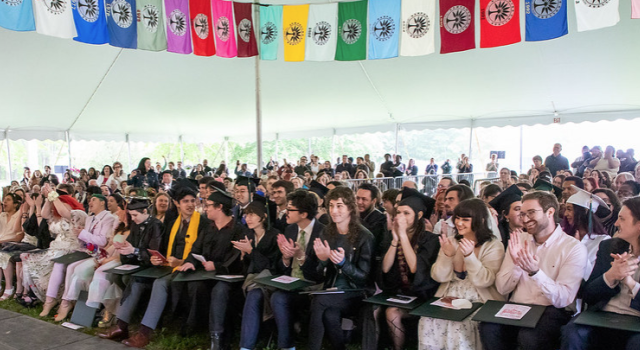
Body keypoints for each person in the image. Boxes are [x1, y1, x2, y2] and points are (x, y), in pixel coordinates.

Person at [99, 183, 211, 348]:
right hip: (168, 265)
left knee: (159, 283)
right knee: (138, 280)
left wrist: (183, 262)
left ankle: (145, 332)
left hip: (191, 268)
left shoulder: (202, 223)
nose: (190, 204)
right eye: (185, 201)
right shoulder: (173, 223)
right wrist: (155, 259)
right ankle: (122, 327)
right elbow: (163, 249)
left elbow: (202, 251)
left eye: (193, 200)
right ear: (178, 204)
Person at [479, 191, 587, 350]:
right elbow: (502, 288)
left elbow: (564, 299)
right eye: (522, 214)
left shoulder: (572, 247)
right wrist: (517, 264)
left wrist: (536, 273)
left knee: (528, 336)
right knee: (488, 328)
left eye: (531, 213)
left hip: (551, 310)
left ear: (550, 212)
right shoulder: (518, 240)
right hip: (518, 307)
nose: (525, 219)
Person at [420, 198, 505, 350]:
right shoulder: (451, 241)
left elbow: (485, 281)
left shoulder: (493, 245)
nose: (459, 223)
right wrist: (447, 256)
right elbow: (438, 277)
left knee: (461, 324)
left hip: (480, 297)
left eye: (465, 219)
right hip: (450, 294)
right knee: (427, 319)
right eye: (457, 218)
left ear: (480, 220)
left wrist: (470, 256)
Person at [560, 197, 640, 350]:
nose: (616, 224)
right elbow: (588, 294)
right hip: (602, 315)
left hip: (636, 320)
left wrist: (630, 283)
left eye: (622, 219)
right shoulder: (609, 247)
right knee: (573, 332)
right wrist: (611, 276)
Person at [176, 190, 244, 350]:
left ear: (220, 207)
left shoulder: (239, 229)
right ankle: (193, 325)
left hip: (228, 277)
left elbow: (237, 258)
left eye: (208, 206)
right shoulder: (208, 228)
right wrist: (191, 262)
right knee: (192, 285)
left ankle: (218, 339)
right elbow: (196, 249)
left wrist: (218, 266)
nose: (205, 209)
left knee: (219, 291)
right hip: (206, 274)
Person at [308, 186, 374, 350]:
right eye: (331, 206)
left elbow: (364, 277)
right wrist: (323, 261)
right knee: (330, 314)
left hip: (355, 291)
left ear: (350, 208)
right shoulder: (326, 232)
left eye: (339, 206)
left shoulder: (364, 236)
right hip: (331, 289)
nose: (334, 211)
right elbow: (317, 275)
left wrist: (344, 264)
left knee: (319, 301)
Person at [41, 193, 115, 321]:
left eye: (94, 200)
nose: (90, 203)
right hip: (86, 251)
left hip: (99, 253)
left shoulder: (108, 218)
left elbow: (102, 241)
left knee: (71, 268)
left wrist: (83, 233)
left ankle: (66, 302)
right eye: (89, 200)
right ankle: (52, 300)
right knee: (62, 264)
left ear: (103, 202)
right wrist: (82, 232)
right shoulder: (90, 218)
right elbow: (87, 239)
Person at [382, 188, 440, 350]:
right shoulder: (392, 236)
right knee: (389, 312)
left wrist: (402, 236)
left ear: (419, 215)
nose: (400, 217)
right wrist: (395, 240)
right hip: (402, 294)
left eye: (406, 213)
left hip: (424, 295)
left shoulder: (430, 239)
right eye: (398, 212)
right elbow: (385, 269)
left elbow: (416, 268)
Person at [270, 190, 325, 350]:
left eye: (290, 210)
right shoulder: (290, 230)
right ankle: (287, 345)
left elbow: (319, 274)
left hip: (312, 286)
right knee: (276, 296)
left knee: (281, 298)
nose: (285, 213)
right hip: (290, 282)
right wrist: (286, 259)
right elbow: (282, 268)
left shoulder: (323, 233)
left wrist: (301, 256)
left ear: (303, 213)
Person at [20, 184, 86, 302]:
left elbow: (63, 211)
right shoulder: (57, 218)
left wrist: (53, 194)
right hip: (57, 246)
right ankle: (35, 294)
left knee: (54, 260)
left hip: (71, 247)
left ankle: (53, 299)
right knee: (26, 258)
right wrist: (48, 199)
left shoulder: (77, 215)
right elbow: (45, 214)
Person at [238, 196, 281, 350]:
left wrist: (251, 252)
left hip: (270, 280)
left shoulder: (274, 235)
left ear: (263, 217)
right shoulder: (248, 235)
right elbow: (247, 268)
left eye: (251, 215)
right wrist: (244, 257)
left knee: (255, 294)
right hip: (250, 279)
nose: (247, 218)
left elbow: (272, 265)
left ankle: (246, 346)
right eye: (246, 215)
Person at [562, 187, 611, 281]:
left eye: (569, 209)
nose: (566, 214)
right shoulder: (564, 234)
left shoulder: (603, 241)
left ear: (583, 212)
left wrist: (578, 247)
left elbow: (591, 273)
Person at [0, 192, 25, 300]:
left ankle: (9, 287)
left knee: (4, 254)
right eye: (4, 199)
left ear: (15, 204)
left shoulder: (19, 215)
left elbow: (19, 237)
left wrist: (2, 241)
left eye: (8, 200)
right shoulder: (2, 215)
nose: (4, 202)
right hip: (2, 242)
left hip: (13, 244)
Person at [489, 185, 524, 249]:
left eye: (523, 208)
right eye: (517, 209)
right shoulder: (500, 235)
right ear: (505, 214)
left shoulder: (532, 232)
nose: (522, 212)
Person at [356, 183, 387, 255]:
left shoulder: (381, 219)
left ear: (373, 201)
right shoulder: (353, 215)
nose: (359, 202)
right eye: (357, 198)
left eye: (364, 199)